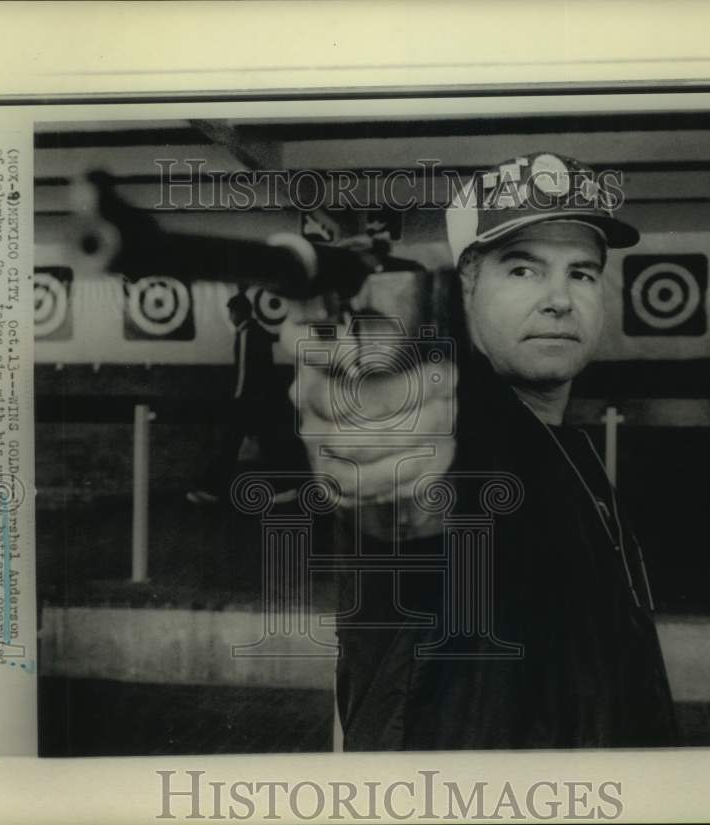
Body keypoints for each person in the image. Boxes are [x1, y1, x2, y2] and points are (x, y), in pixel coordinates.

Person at [288, 152, 678, 750]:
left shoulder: (570, 451)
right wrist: (375, 440)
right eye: (523, 270)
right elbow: (403, 483)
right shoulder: (460, 432)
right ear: (466, 286)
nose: (559, 299)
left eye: (581, 273)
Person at [188, 292, 287, 504]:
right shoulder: (257, 332)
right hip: (261, 401)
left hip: (249, 402)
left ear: (239, 312)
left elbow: (243, 372)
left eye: (231, 312)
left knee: (230, 445)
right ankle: (285, 488)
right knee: (267, 445)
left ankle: (212, 490)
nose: (230, 317)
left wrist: (237, 399)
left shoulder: (246, 334)